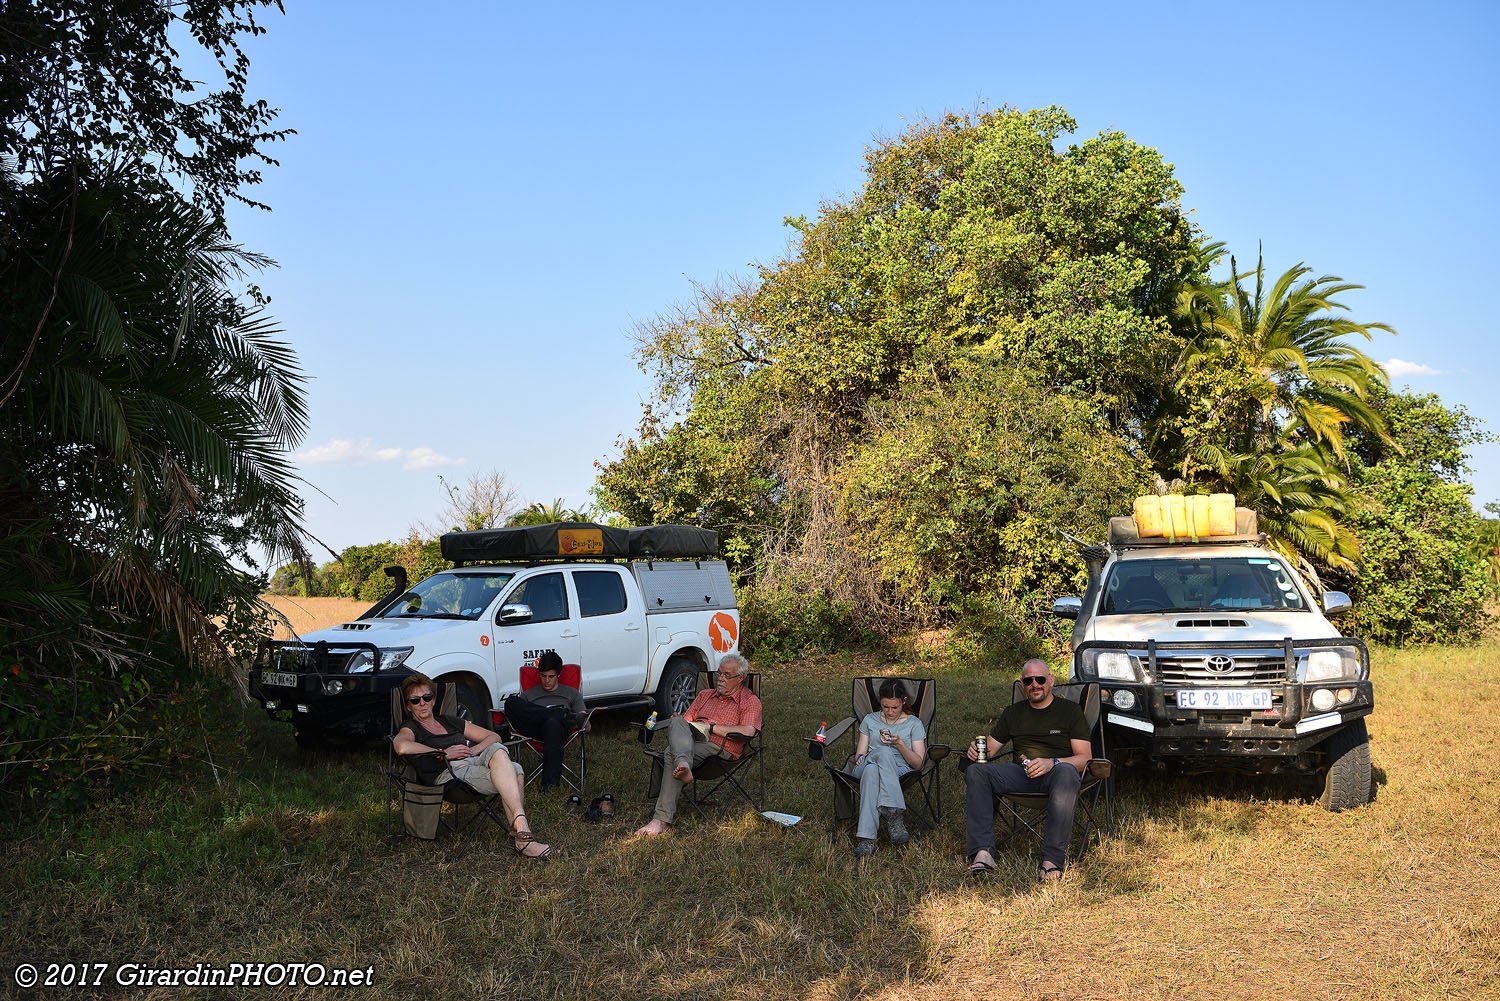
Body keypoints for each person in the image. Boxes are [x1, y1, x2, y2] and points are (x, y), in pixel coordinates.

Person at [393, 672, 555, 860]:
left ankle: (520, 822)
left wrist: (475, 749)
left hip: (471, 762)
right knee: (516, 770)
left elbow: (493, 736)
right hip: (449, 774)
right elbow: (401, 746)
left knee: (496, 747)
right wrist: (443, 752)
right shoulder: (411, 727)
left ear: (433, 700)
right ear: (408, 706)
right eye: (415, 700)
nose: (422, 703)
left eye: (427, 697)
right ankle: (523, 839)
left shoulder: (449, 720)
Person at [962, 659, 1090, 880]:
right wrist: (975, 750)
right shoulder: (1014, 713)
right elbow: (990, 749)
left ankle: (1051, 861)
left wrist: (1053, 762)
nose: (1035, 685)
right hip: (1021, 774)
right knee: (977, 771)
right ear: (1022, 685)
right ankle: (983, 853)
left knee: (1068, 771)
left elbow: (1084, 758)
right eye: (1028, 681)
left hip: (1057, 775)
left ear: (1051, 680)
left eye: (1040, 679)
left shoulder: (1070, 711)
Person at [633, 652, 762, 837]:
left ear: (740, 678)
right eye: (719, 673)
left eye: (727, 675)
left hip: (720, 748)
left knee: (671, 753)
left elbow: (748, 732)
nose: (720, 679)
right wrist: (681, 721)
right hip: (691, 741)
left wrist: (711, 727)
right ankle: (684, 764)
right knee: (678, 721)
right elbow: (685, 722)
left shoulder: (749, 701)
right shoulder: (705, 695)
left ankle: (660, 819)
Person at [848, 679, 927, 858]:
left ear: (903, 702)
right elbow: (859, 755)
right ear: (880, 702)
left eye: (895, 707)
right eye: (885, 707)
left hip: (898, 770)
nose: (890, 712)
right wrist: (863, 757)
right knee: (880, 755)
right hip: (866, 763)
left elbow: (918, 763)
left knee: (872, 772)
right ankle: (894, 813)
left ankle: (866, 841)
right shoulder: (869, 720)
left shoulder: (914, 724)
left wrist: (899, 743)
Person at [504, 651, 588, 790]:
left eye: (551, 676)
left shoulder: (571, 693)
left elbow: (585, 724)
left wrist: (584, 721)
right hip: (534, 730)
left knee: (552, 723)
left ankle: (549, 785)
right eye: (543, 676)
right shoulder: (529, 694)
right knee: (510, 702)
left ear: (558, 675)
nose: (547, 680)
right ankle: (559, 714)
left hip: (559, 731)